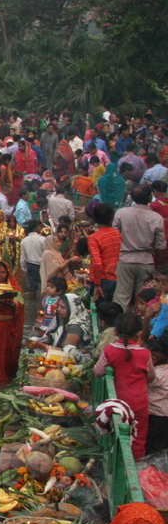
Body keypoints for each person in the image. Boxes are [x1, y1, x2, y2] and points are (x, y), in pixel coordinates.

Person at [95, 313, 155, 459]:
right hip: (139, 403)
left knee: (116, 434)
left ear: (115, 331)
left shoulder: (110, 350)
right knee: (138, 439)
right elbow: (151, 377)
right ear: (139, 333)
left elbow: (98, 371)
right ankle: (135, 469)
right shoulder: (145, 353)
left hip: (118, 403)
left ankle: (116, 464)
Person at [115, 185, 167, 309]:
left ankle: (119, 324)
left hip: (125, 260)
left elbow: (115, 236)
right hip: (146, 261)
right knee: (144, 297)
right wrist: (162, 264)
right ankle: (139, 324)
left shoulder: (121, 213)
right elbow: (160, 246)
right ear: (150, 197)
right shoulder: (156, 218)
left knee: (122, 296)